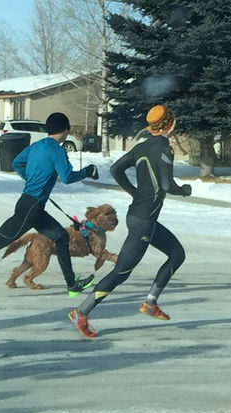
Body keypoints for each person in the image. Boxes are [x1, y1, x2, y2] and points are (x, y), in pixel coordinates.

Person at [0, 112, 100, 296]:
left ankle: (72, 285)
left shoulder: (37, 146)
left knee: (61, 237)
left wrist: (30, 179)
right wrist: (87, 171)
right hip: (31, 208)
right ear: (65, 130)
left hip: (32, 205)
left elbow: (17, 163)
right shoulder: (57, 150)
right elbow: (68, 177)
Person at [69, 104, 192, 338]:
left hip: (141, 216)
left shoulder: (142, 146)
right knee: (122, 271)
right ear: (170, 123)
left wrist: (134, 192)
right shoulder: (165, 148)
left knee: (177, 254)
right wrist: (184, 190)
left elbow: (116, 169)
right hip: (143, 220)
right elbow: (167, 185)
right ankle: (81, 312)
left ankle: (150, 303)